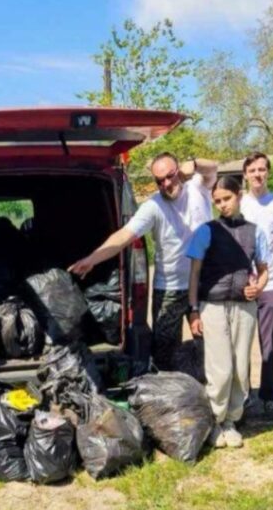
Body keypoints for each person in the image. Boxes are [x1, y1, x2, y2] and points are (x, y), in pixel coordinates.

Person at [68, 153, 216, 371]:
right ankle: (171, 399)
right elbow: (124, 236)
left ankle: (217, 398)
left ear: (179, 171)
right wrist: (92, 259)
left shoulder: (198, 188)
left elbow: (212, 167)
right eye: (159, 180)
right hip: (169, 289)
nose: (166, 184)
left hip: (205, 284)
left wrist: (194, 164)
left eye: (170, 176)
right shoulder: (153, 206)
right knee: (165, 355)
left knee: (213, 346)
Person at [187, 176, 270, 448]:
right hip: (213, 306)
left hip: (244, 308)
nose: (223, 205)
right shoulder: (206, 231)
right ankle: (215, 420)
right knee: (219, 368)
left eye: (227, 198)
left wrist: (257, 287)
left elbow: (264, 270)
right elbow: (195, 274)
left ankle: (232, 420)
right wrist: (194, 311)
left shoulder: (255, 231)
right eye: (218, 201)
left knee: (240, 369)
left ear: (239, 195)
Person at [239, 153, 273, 415]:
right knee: (241, 342)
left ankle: (270, 397)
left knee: (269, 343)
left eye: (262, 169)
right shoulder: (239, 204)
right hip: (243, 286)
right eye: (252, 169)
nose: (258, 174)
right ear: (245, 173)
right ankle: (243, 396)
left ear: (268, 172)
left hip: (272, 284)